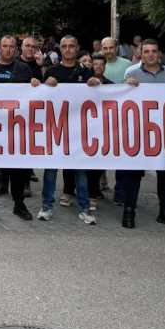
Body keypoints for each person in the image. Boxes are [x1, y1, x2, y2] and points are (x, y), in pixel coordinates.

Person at [0, 35, 40, 220]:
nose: (8, 50)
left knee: (18, 168)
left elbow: (34, 93)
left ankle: (19, 204)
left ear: (16, 49)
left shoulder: (24, 68)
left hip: (17, 128)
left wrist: (35, 85)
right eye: (5, 46)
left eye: (12, 47)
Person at [40, 35, 102, 226]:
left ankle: (84, 208)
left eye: (71, 46)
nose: (67, 49)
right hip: (55, 129)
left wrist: (95, 84)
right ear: (61, 49)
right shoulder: (52, 71)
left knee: (80, 171)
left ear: (77, 48)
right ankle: (46, 207)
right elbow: (41, 97)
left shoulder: (86, 70)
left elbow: (97, 94)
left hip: (77, 131)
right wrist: (45, 85)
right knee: (50, 170)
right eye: (64, 46)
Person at [123, 39, 165, 229]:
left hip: (163, 129)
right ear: (141, 53)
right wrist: (126, 85)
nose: (150, 54)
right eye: (146, 51)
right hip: (139, 131)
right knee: (133, 172)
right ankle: (129, 210)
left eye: (154, 51)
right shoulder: (131, 73)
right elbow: (120, 99)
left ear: (159, 54)